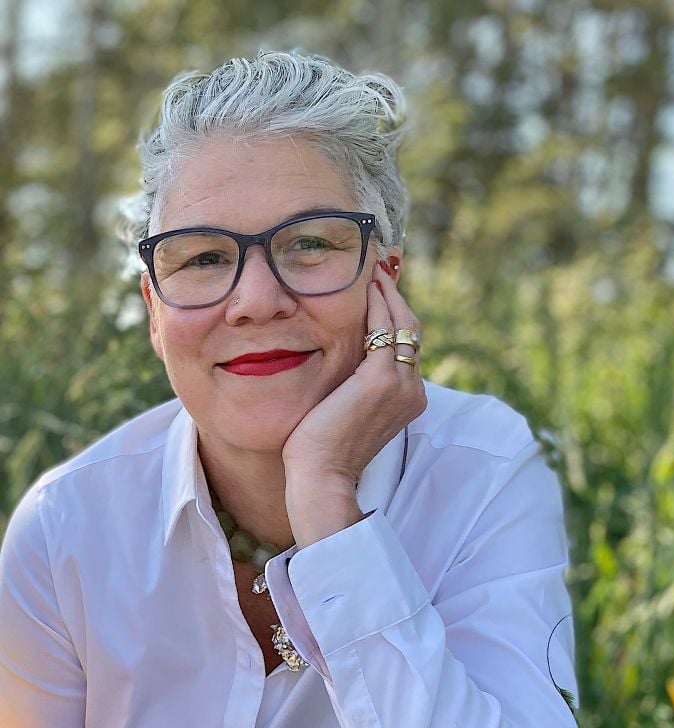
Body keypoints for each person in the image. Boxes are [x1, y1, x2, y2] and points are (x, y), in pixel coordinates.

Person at [0, 51, 577, 727]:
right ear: (154, 311)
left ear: (384, 279)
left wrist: (330, 504)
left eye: (308, 244)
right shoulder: (67, 527)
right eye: (205, 257)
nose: (255, 300)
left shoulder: (487, 473)